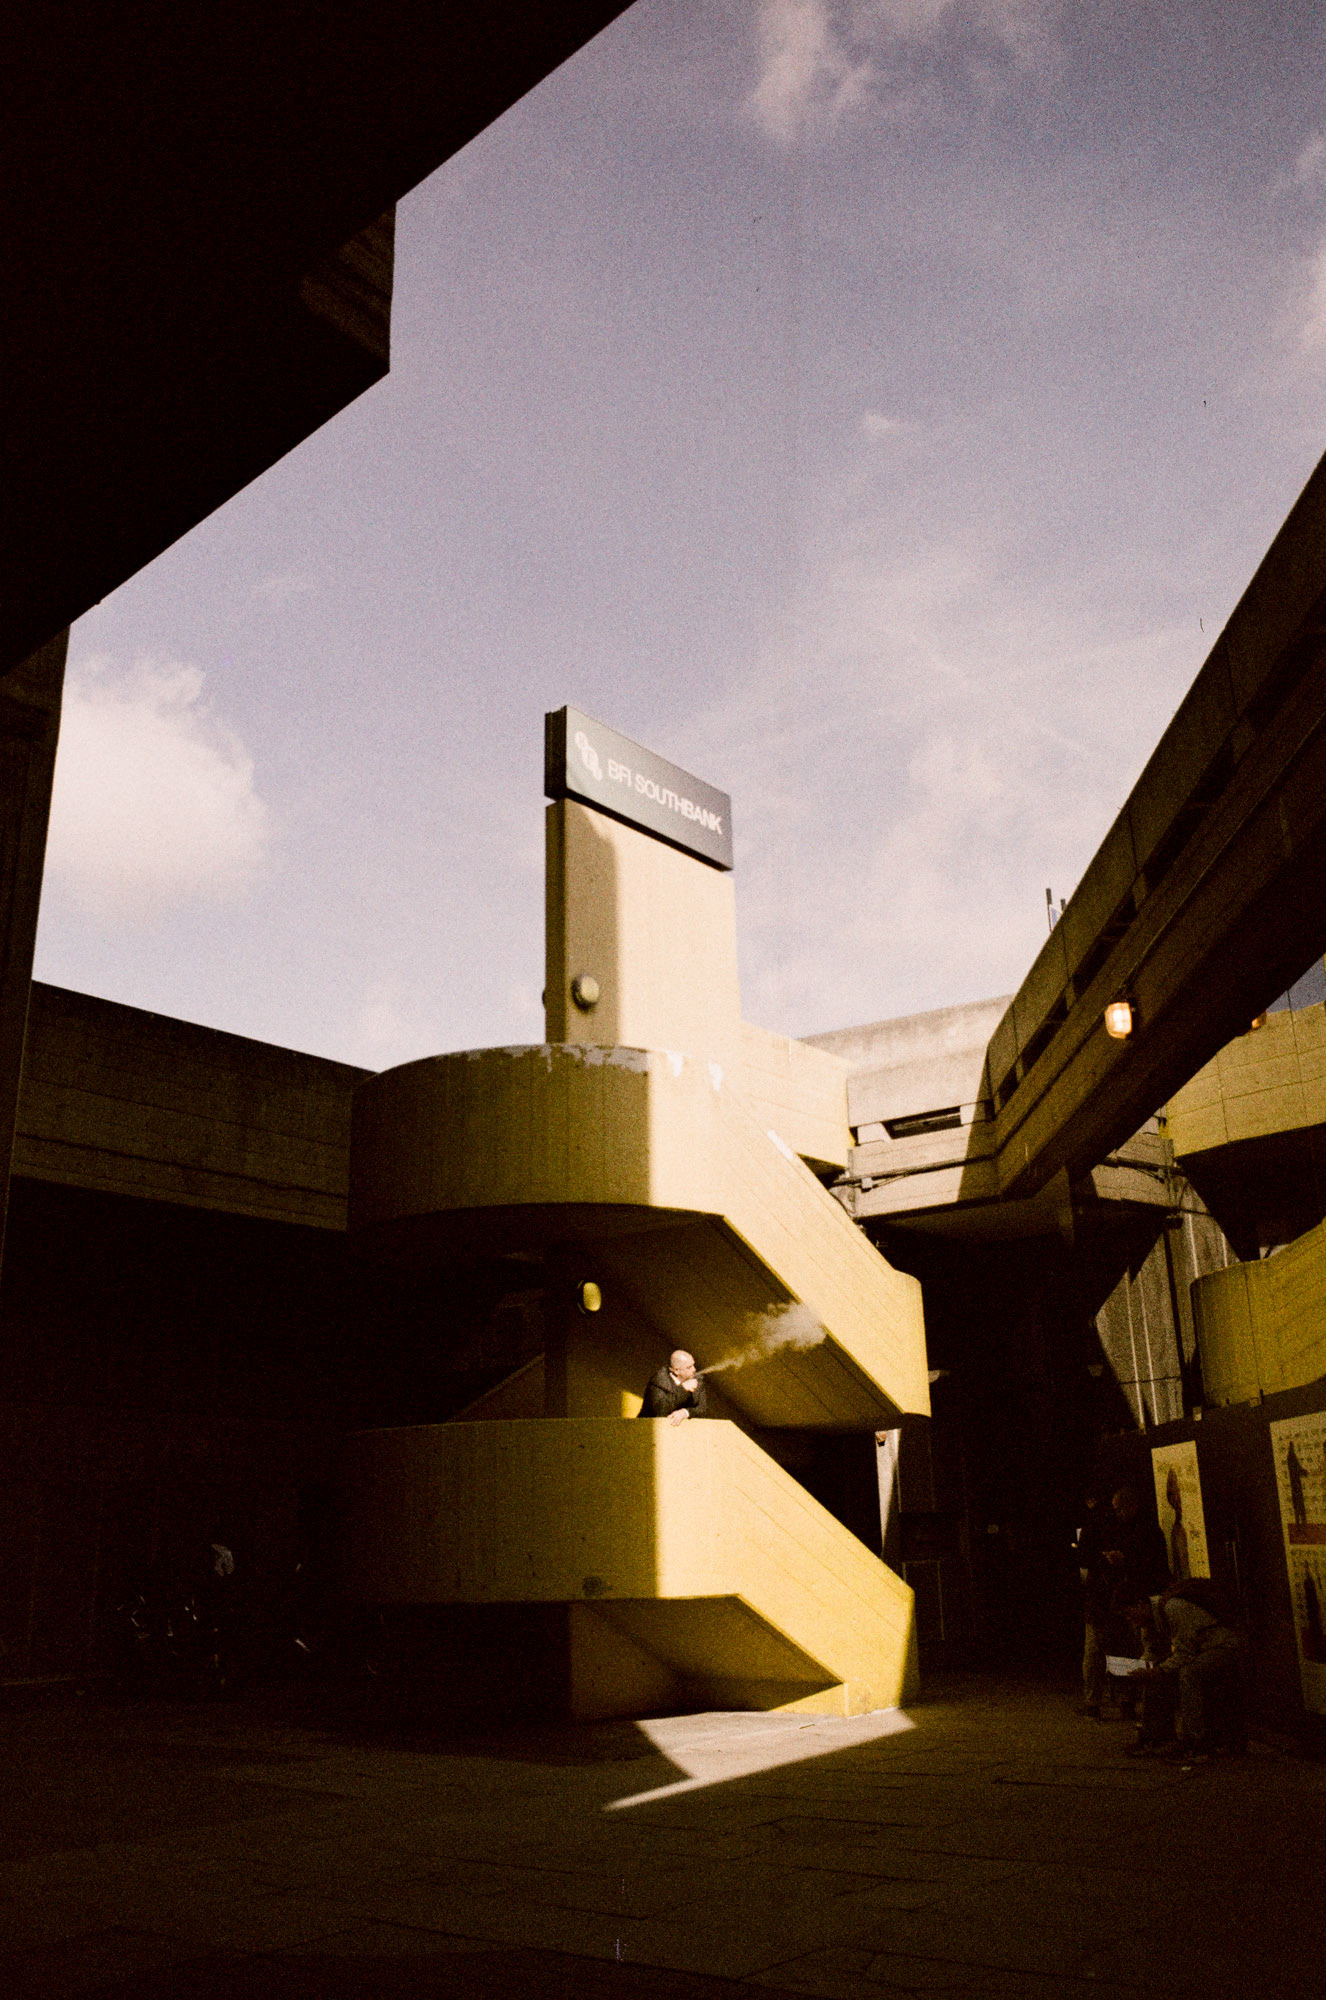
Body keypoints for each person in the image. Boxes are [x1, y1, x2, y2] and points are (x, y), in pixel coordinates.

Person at [1074, 1493, 1111, 1718]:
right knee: (1119, 1648)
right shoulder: (1119, 1524)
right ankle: (1126, 1698)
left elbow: (1084, 1567)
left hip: (1098, 1596)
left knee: (1094, 1650)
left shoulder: (1090, 1525)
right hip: (1120, 1592)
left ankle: (1092, 1700)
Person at [640, 1349, 709, 1426]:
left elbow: (703, 1409)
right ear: (676, 1370)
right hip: (648, 1429)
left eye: (693, 1365)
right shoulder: (659, 1380)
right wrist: (683, 1390)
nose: (694, 1369)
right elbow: (659, 1411)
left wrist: (685, 1412)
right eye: (689, 1367)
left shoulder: (697, 1380)